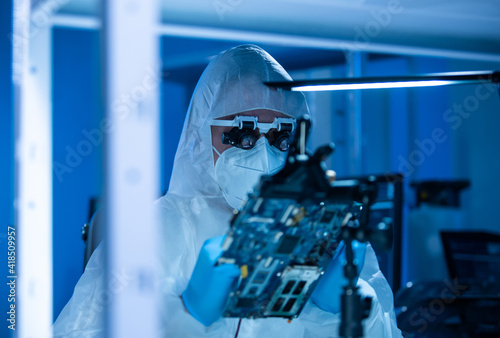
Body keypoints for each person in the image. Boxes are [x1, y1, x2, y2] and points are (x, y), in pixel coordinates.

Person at [53, 44, 402, 337]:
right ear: (202, 136)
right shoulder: (151, 232)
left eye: (281, 136)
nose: (264, 154)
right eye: (242, 135)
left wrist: (357, 305)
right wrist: (186, 314)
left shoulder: (324, 232)